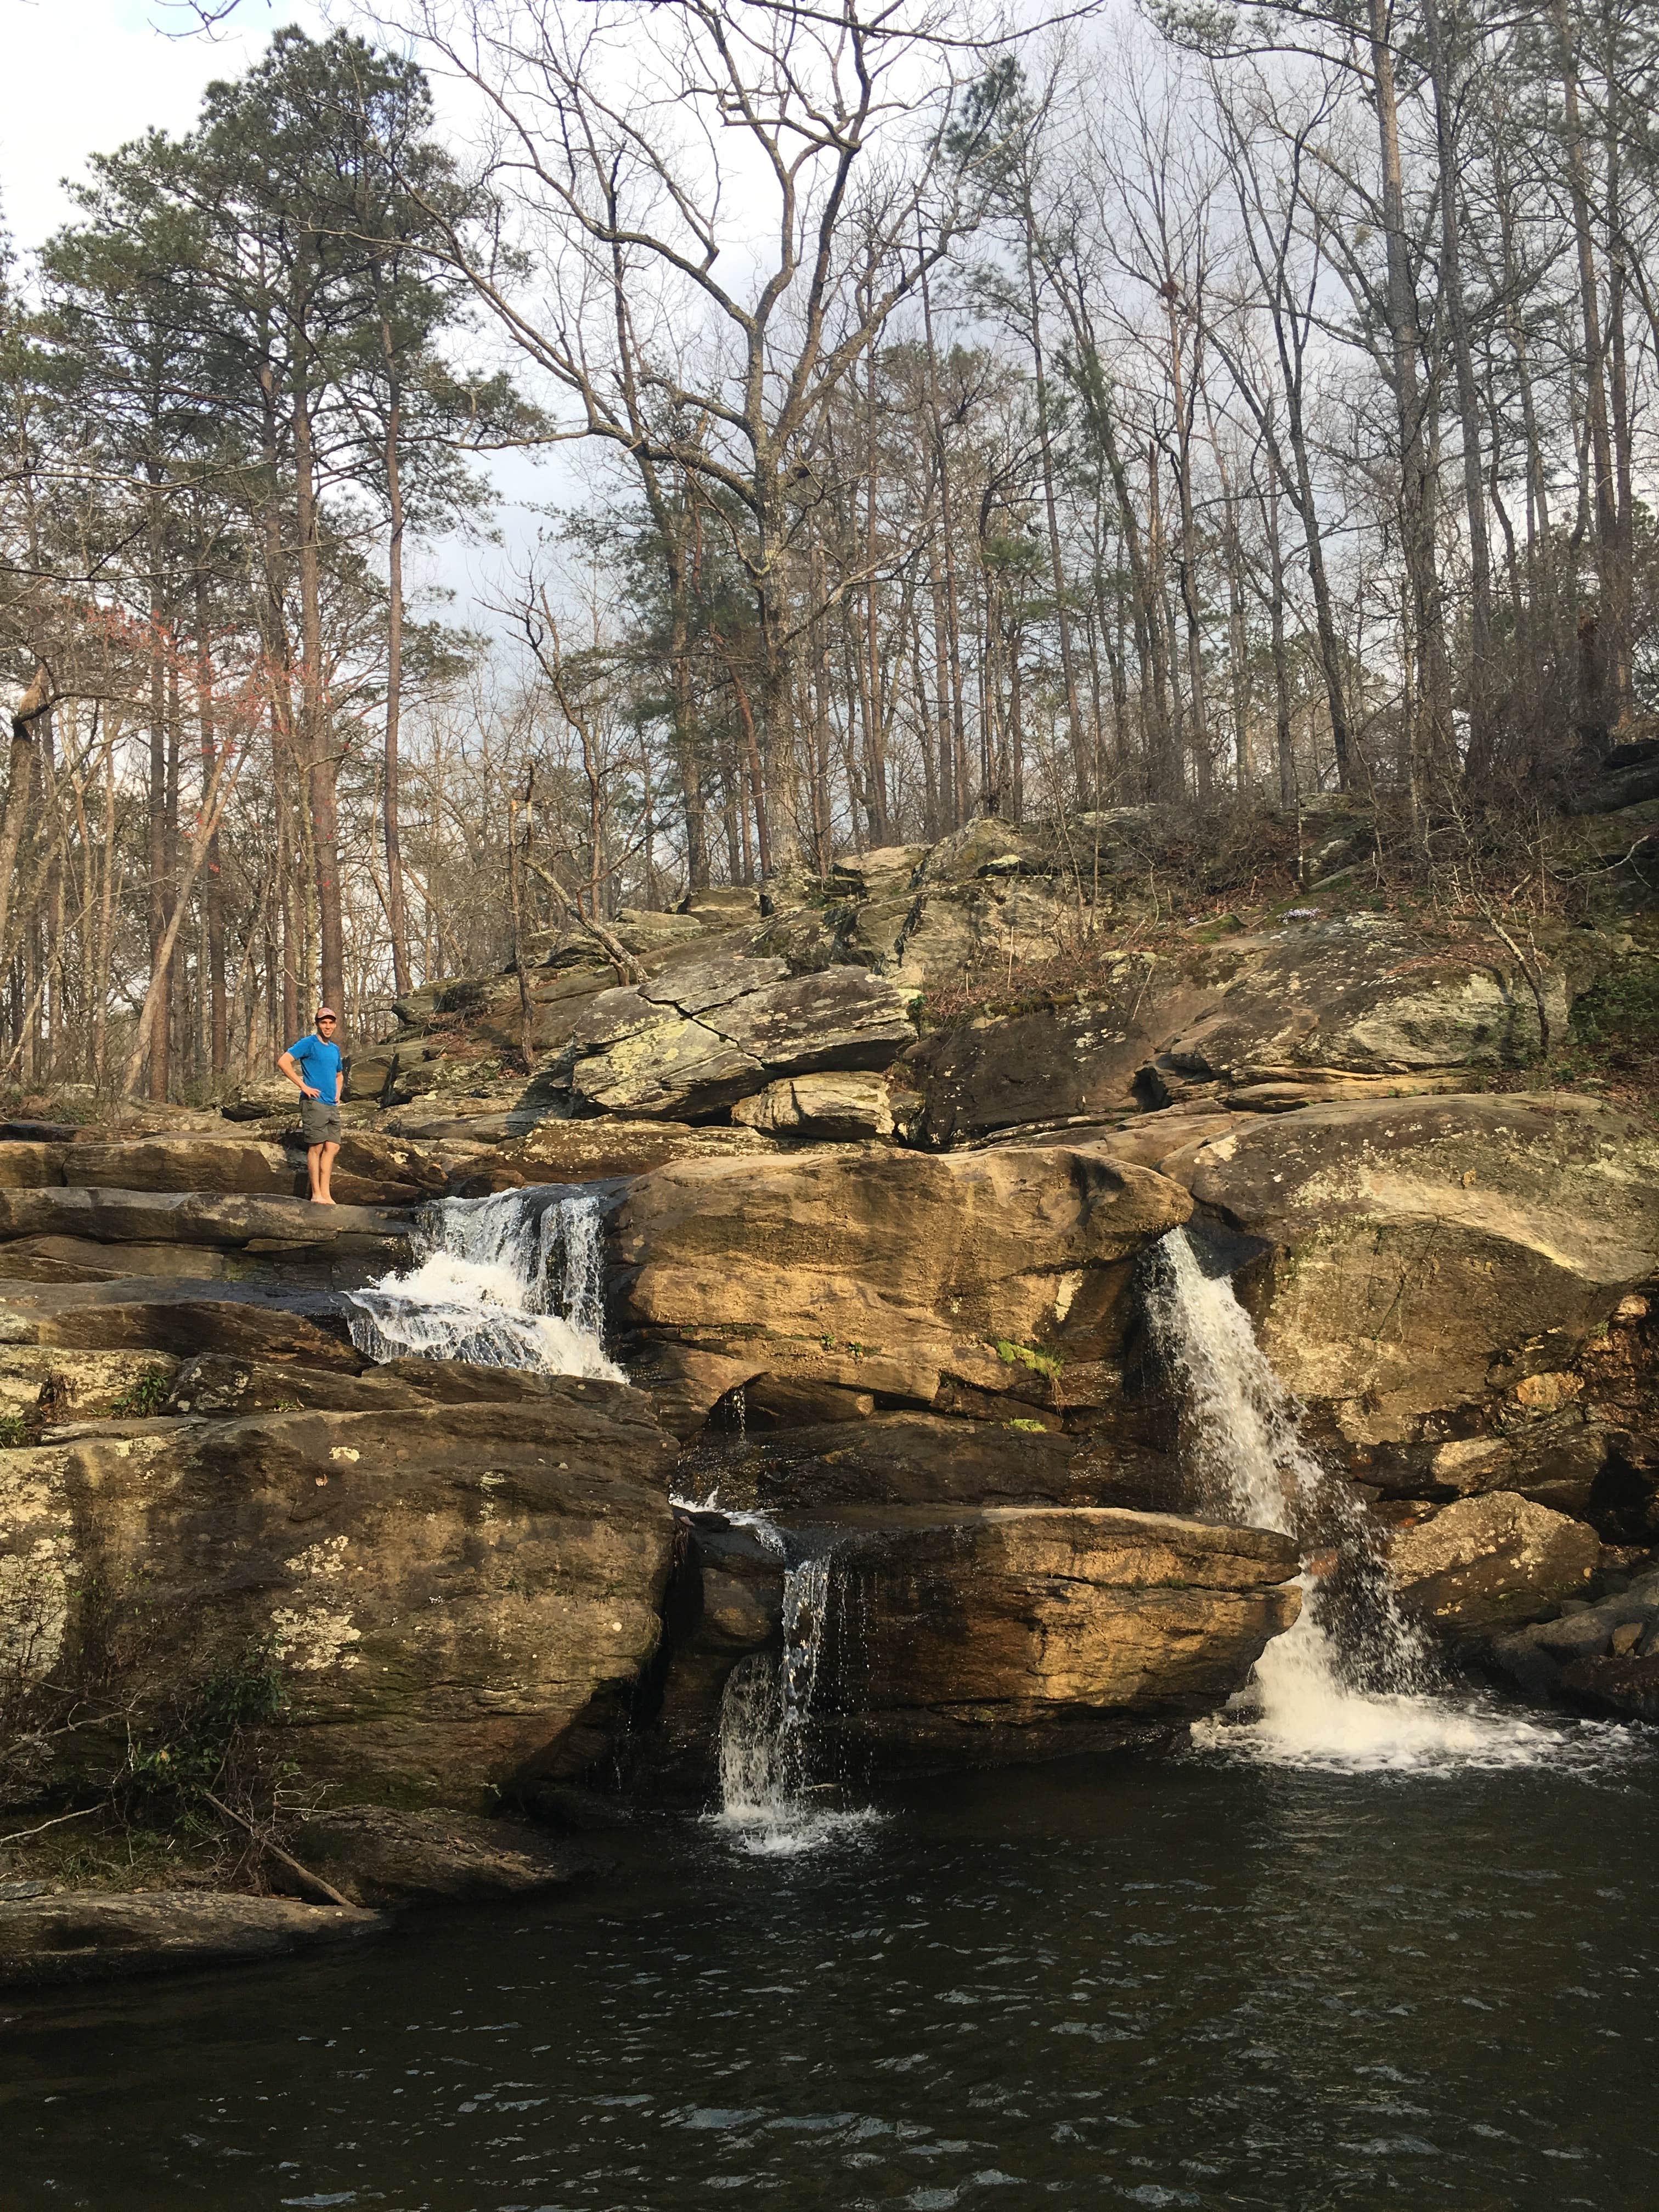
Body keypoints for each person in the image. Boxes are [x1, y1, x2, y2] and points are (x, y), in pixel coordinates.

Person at [277, 1007, 344, 1205]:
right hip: (314, 1103)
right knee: (316, 1147)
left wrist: (338, 1092)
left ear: (335, 1024)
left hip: (331, 1105)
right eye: (324, 1022)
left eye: (331, 1022)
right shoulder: (309, 1043)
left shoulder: (334, 1049)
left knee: (332, 1147)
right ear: (317, 1024)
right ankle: (316, 1194)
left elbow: (339, 1075)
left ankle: (326, 1194)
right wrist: (303, 1086)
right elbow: (283, 1061)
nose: (328, 1026)